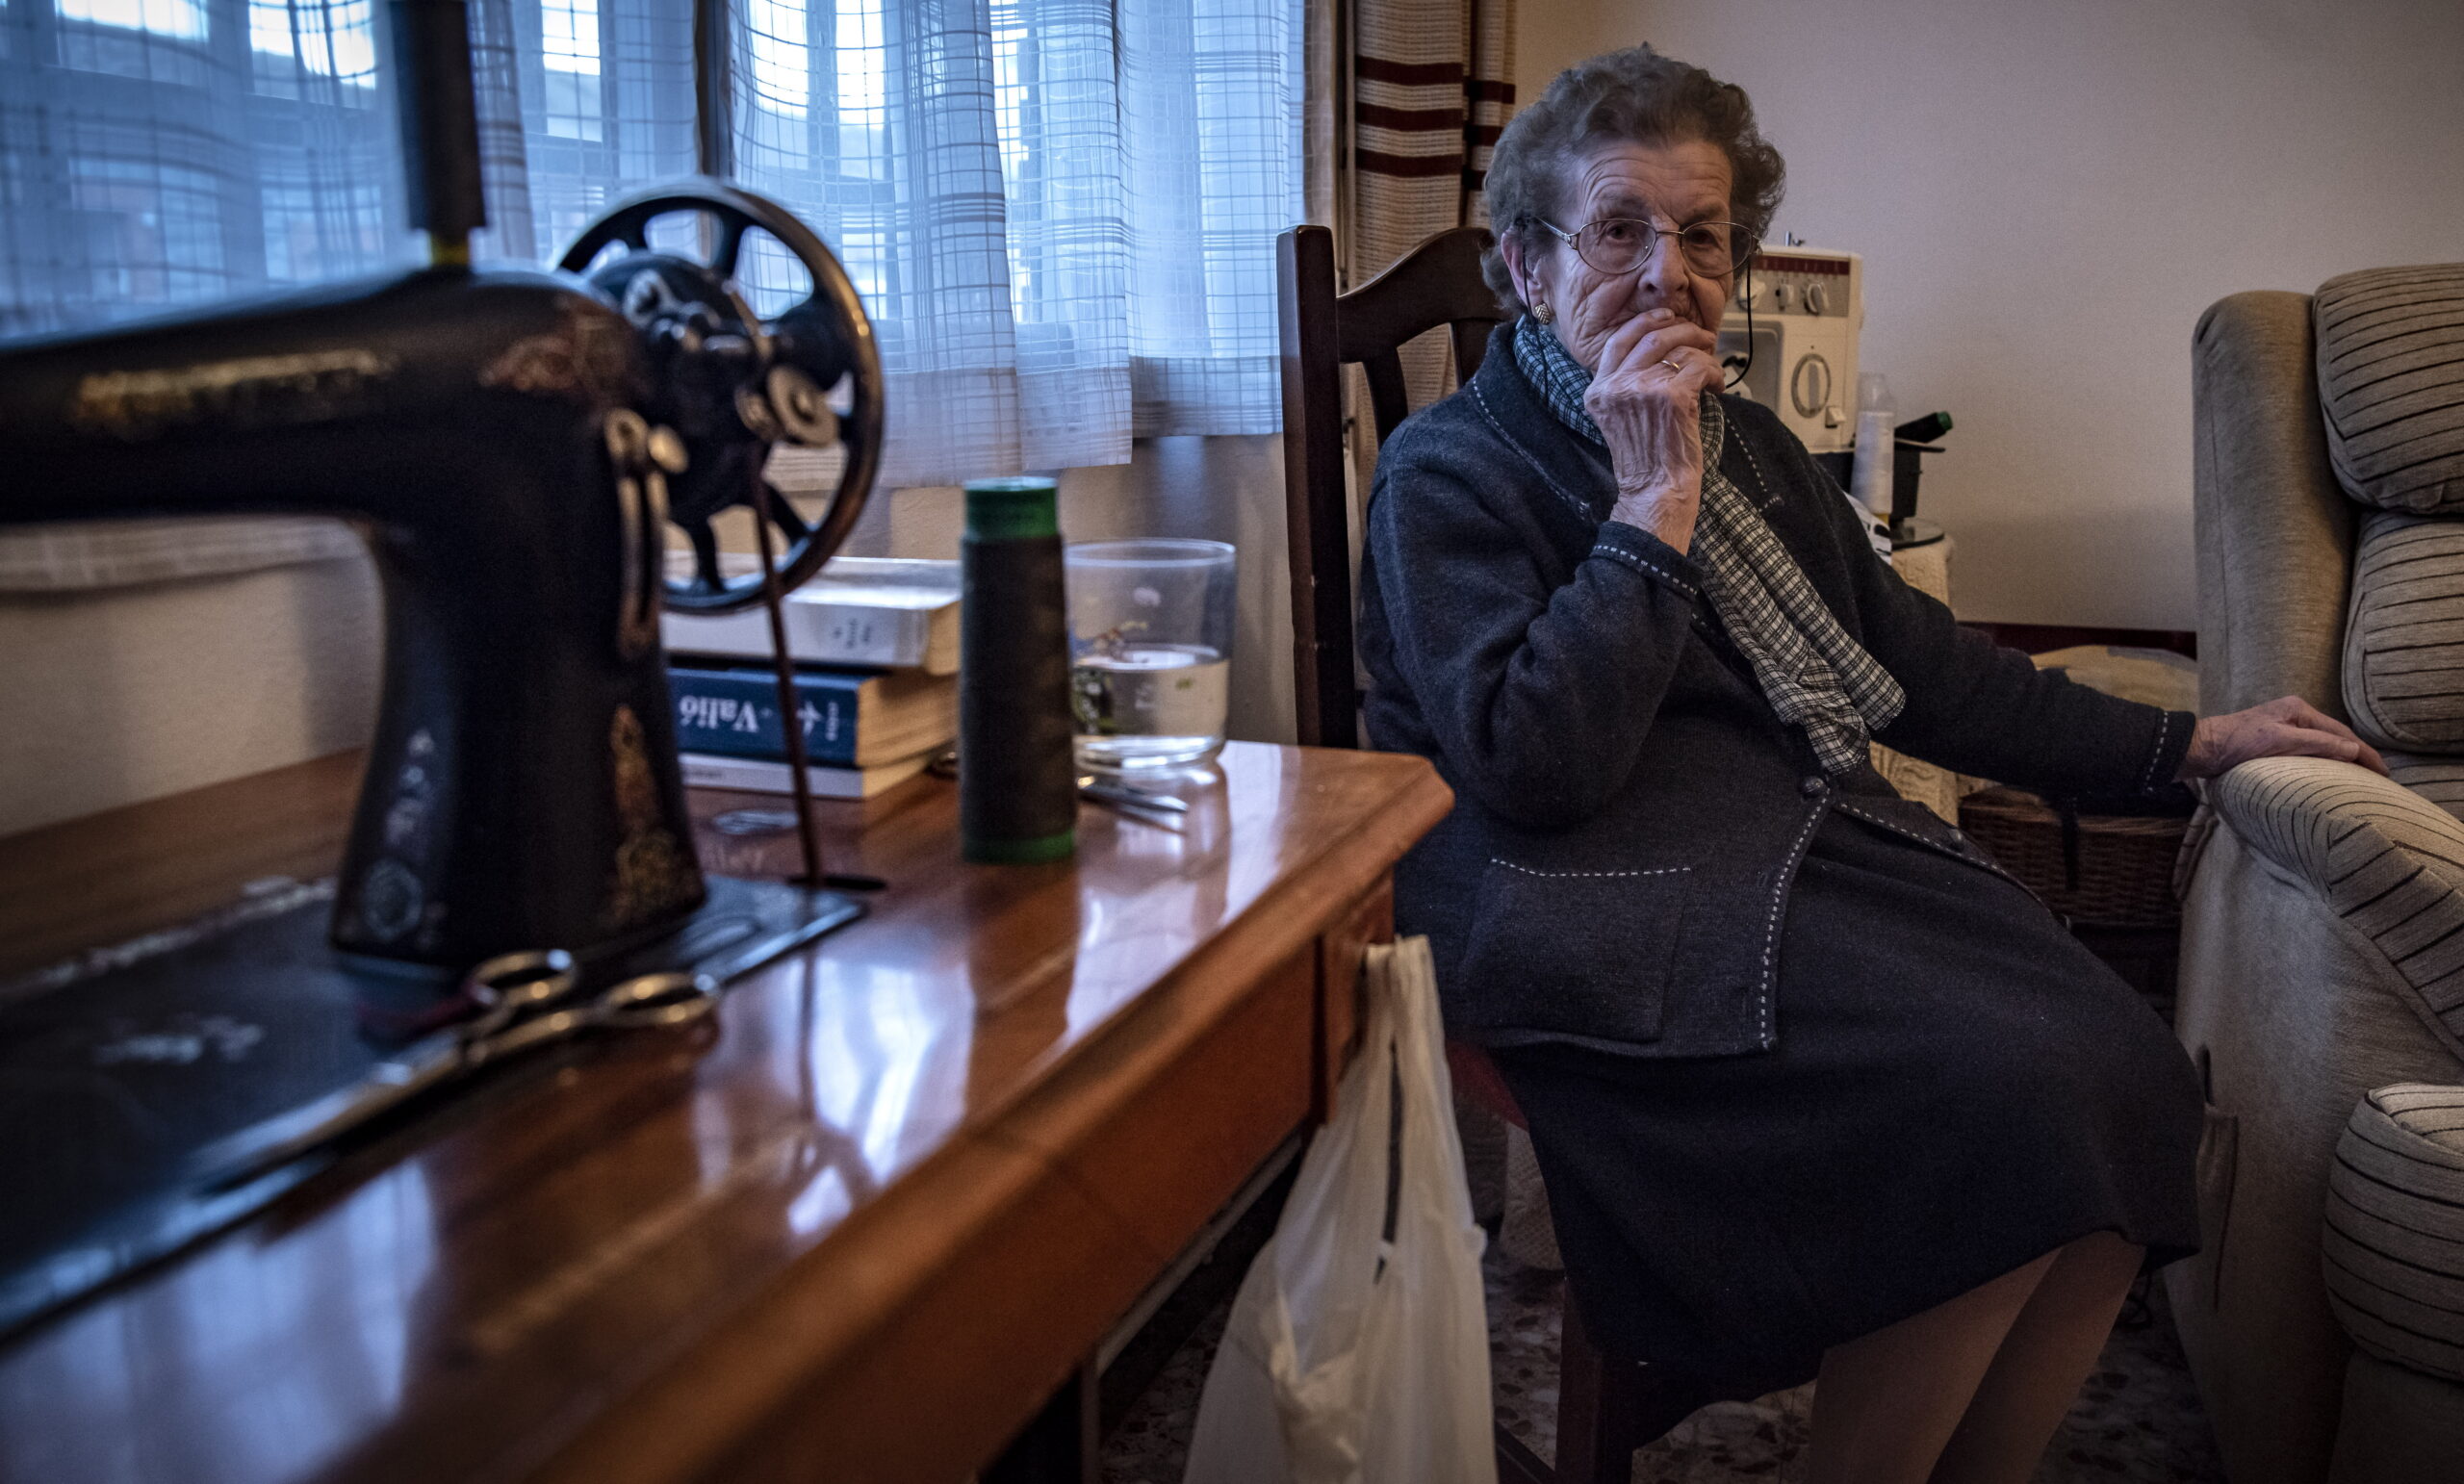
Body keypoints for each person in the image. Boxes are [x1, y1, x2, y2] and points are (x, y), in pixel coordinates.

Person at [1353, 45, 2387, 1484]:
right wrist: (1648, 509)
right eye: (1617, 230)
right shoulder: (1453, 473)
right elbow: (1536, 763)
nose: (1667, 272)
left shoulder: (1751, 448)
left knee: (2127, 1072)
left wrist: (2194, 741)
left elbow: (1921, 667)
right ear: (1527, 268)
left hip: (1772, 852)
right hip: (1566, 895)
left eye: (1702, 235)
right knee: (2002, 1108)